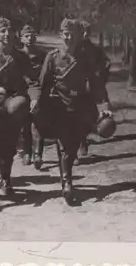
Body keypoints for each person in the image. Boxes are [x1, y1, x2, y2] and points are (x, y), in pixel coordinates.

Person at [36, 18, 111, 205]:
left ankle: (66, 177)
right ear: (61, 35)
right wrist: (40, 107)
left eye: (72, 34)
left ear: (78, 37)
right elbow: (43, 85)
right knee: (65, 147)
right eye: (65, 34)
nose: (68, 38)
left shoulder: (86, 59)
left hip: (80, 108)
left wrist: (105, 109)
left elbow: (96, 86)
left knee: (72, 146)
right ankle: (67, 183)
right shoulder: (52, 57)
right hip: (59, 107)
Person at [0, 17, 39, 211]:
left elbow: (32, 81)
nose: (6, 34)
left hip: (14, 108)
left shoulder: (20, 57)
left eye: (9, 31)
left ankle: (6, 181)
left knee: (9, 148)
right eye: (2, 31)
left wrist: (34, 98)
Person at [76, 20, 112, 161]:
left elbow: (106, 63)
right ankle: (79, 143)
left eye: (87, 31)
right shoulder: (74, 48)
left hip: (91, 88)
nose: (85, 34)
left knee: (88, 116)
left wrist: (99, 75)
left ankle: (83, 141)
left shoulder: (95, 49)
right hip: (76, 87)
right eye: (82, 31)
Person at [19, 24, 47, 169]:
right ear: (21, 38)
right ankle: (26, 152)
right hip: (23, 92)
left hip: (38, 92)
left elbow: (46, 73)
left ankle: (38, 154)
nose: (29, 39)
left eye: (32, 35)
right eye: (26, 36)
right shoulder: (18, 55)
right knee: (25, 124)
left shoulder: (42, 55)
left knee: (38, 123)